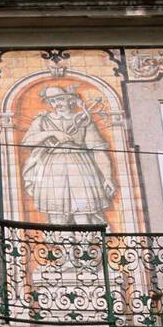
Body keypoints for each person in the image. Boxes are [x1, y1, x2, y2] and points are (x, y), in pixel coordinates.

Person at [20, 84, 115, 224]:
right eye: (52, 101)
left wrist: (107, 177)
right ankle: (66, 246)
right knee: (57, 216)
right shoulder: (42, 120)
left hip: (80, 167)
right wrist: (52, 133)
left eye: (60, 99)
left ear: (70, 100)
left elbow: (98, 150)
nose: (56, 104)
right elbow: (27, 141)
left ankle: (85, 246)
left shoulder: (83, 119)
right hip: (52, 170)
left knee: (83, 213)